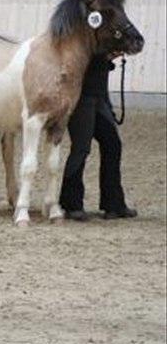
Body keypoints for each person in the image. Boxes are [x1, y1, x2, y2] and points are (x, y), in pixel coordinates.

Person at [59, 52, 137, 221]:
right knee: (81, 149)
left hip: (99, 98)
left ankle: (114, 204)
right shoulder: (84, 33)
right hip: (82, 100)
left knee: (112, 144)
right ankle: (71, 204)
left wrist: (109, 55)